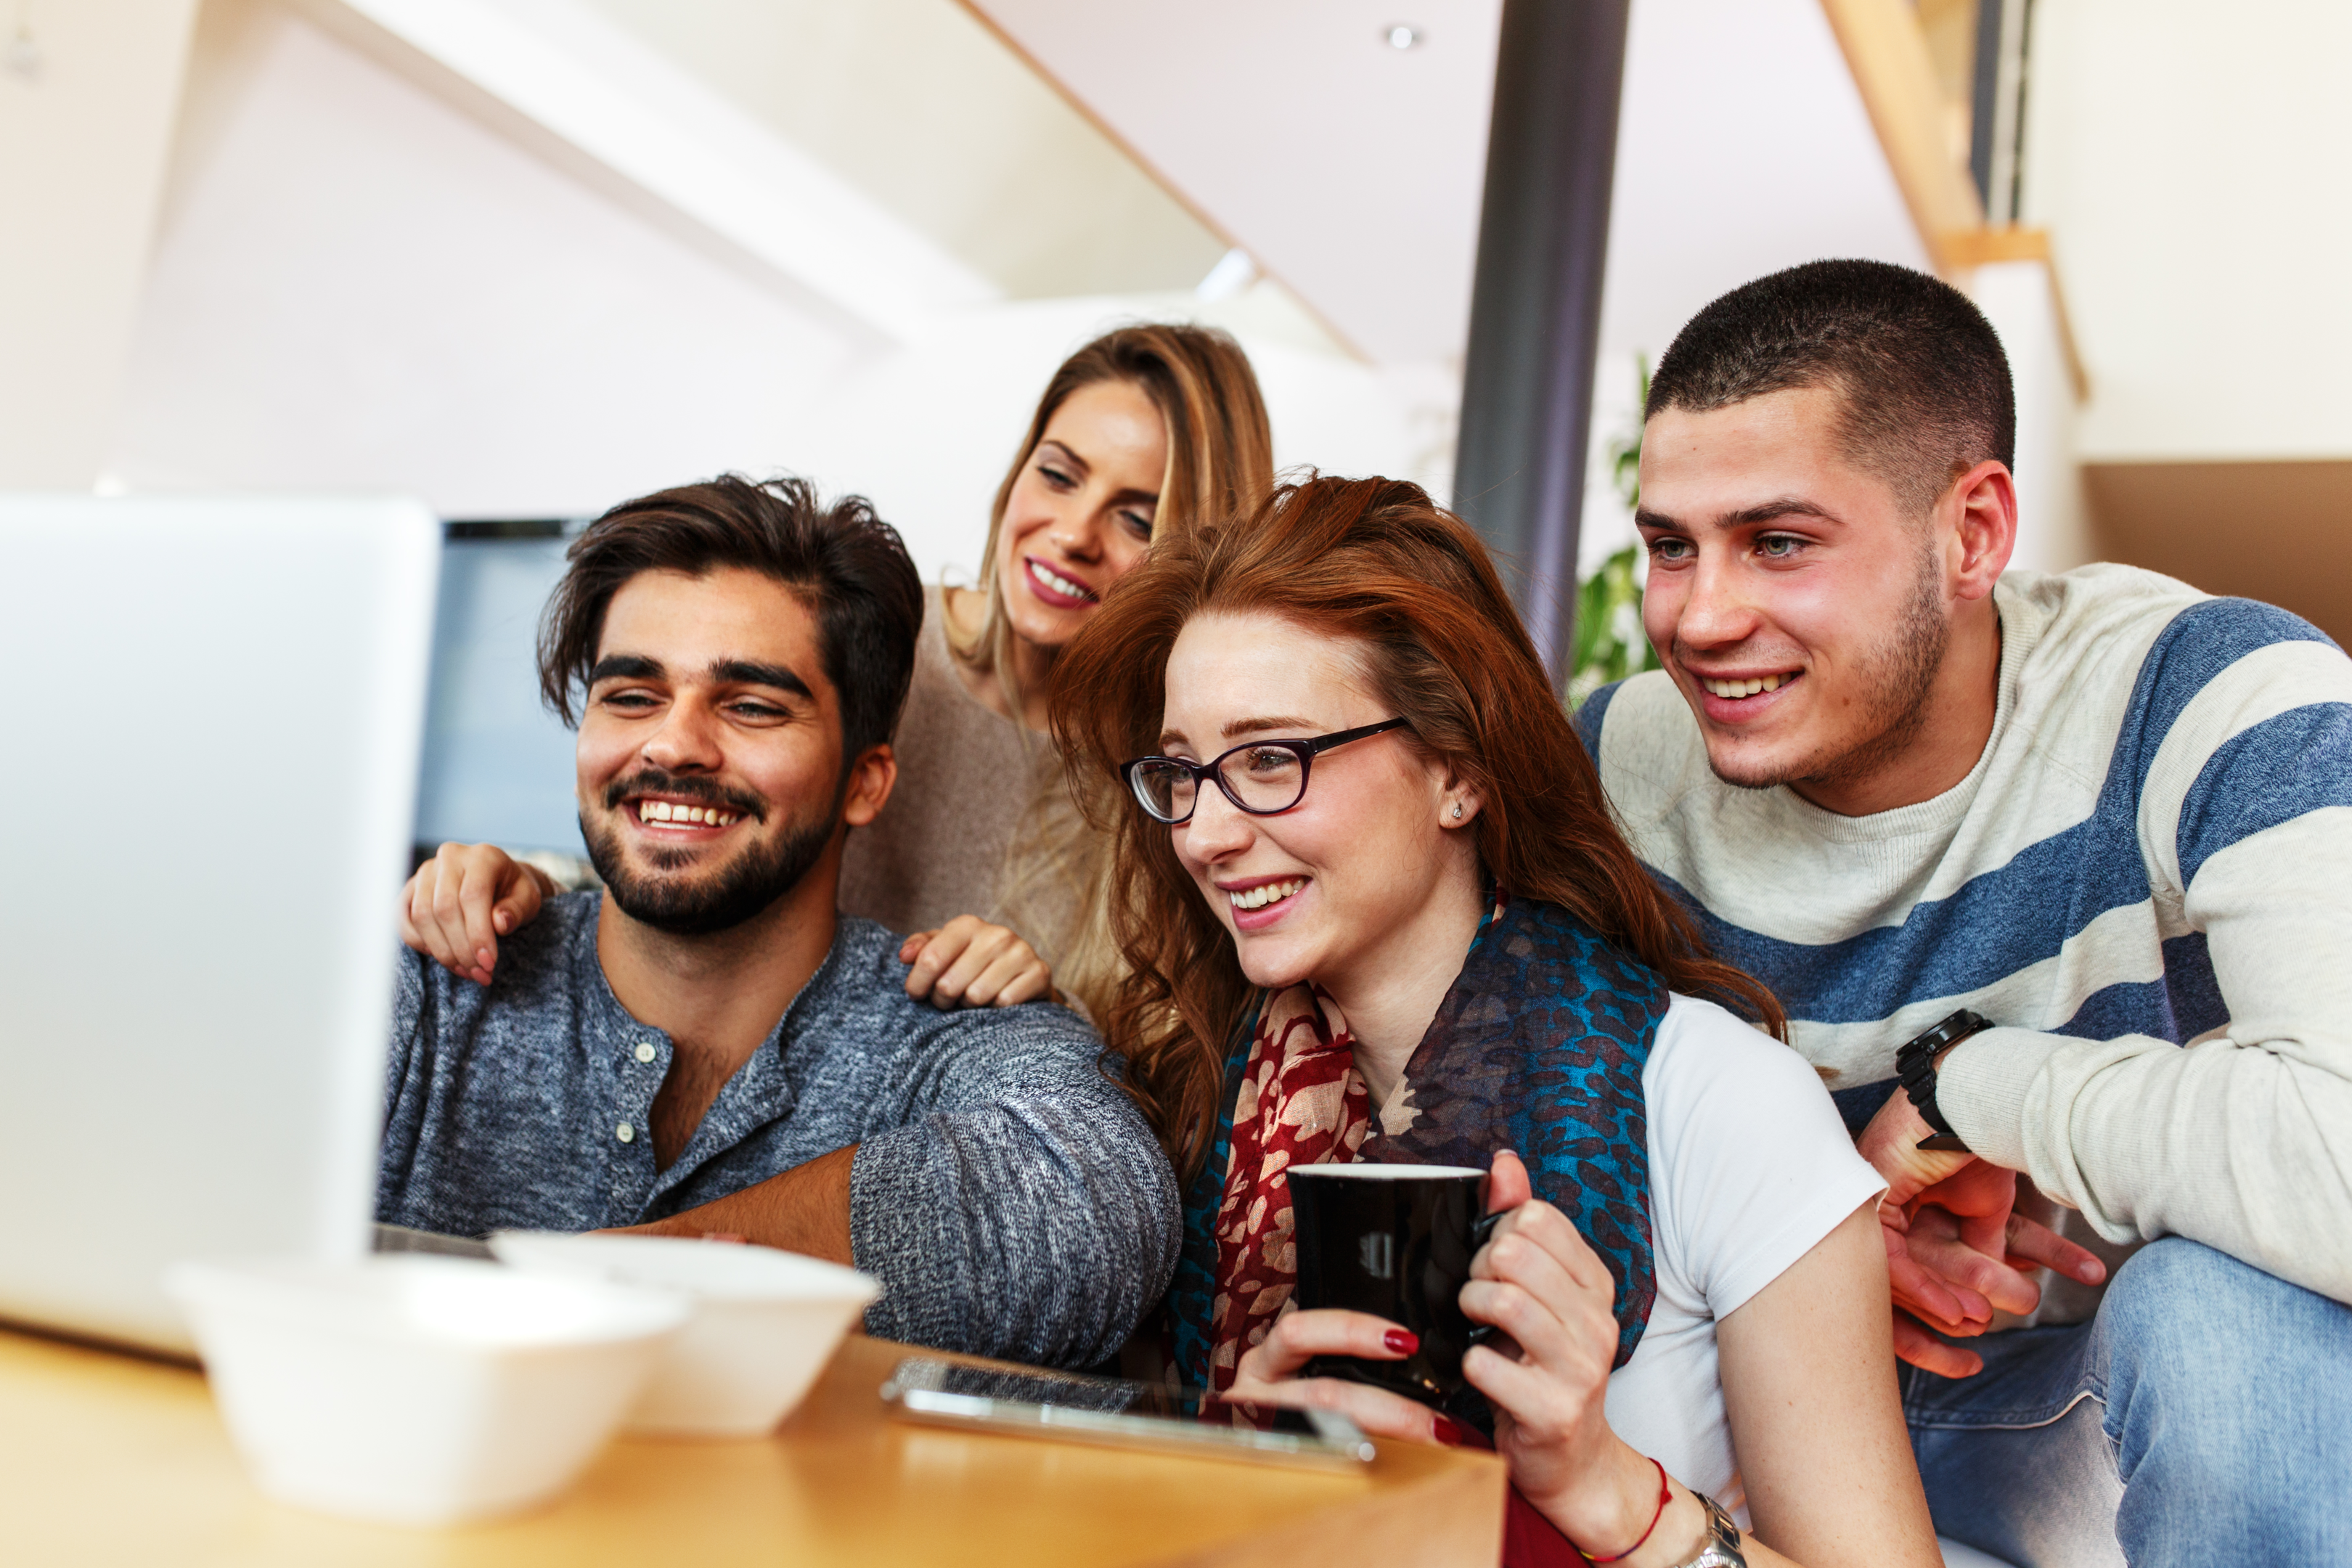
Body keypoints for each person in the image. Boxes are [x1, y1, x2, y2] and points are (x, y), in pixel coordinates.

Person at [1577, 258, 2352, 1564]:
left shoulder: (2214, 700)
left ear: (1974, 533)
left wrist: (1972, 1087)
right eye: (1668, 546)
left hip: (2066, 1414)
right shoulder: (1610, 766)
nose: (1701, 618)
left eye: (1779, 541)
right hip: (1746, 1420)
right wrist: (1798, 1269)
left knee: (2230, 1319)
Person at [1052, 475, 1942, 1568]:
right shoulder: (1195, 1095)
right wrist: (1246, 1476)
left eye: (1271, 759)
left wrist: (1604, 1486)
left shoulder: (1721, 1103)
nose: (1206, 833)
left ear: (1458, 774)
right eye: (1183, 772)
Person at [377, 474, 1181, 1369]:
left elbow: (1089, 1207)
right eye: (632, 696)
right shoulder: (429, 986)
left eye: (752, 705)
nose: (674, 744)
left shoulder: (956, 1031)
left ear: (867, 781)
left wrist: (576, 1296)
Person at [402, 324, 1274, 1023]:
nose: (1074, 533)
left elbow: (1156, 1067)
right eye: (1057, 474)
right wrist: (536, 907)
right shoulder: (867, 641)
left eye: (1136, 516)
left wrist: (1041, 1018)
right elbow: (679, 861)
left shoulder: (1178, 775)